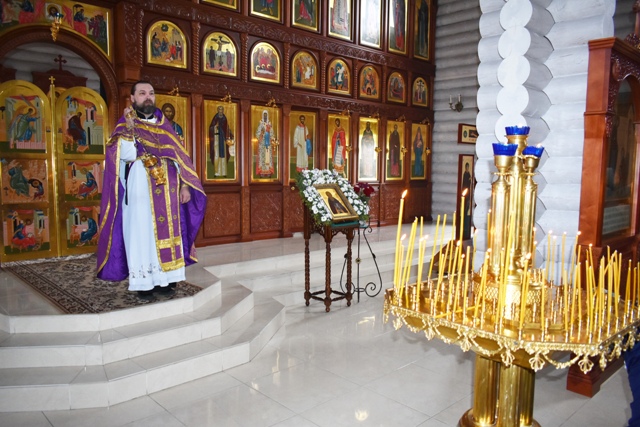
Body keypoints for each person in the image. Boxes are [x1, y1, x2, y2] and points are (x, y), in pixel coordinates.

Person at [96, 81, 206, 299]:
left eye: (151, 93)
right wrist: (129, 129)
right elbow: (125, 155)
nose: (148, 97)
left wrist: (185, 185)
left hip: (169, 190)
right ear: (133, 98)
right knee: (142, 233)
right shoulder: (126, 124)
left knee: (170, 231)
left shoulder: (165, 126)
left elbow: (180, 159)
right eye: (142, 93)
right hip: (140, 189)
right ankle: (144, 283)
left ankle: (167, 279)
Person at [209, 105, 233, 177]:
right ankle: (217, 172)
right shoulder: (215, 118)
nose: (221, 111)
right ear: (218, 111)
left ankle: (224, 173)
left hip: (223, 139)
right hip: (216, 139)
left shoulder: (224, 118)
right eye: (219, 110)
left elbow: (227, 128)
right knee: (216, 155)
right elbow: (211, 128)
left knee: (223, 156)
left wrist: (230, 134)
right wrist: (215, 126)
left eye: (222, 110)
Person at [255, 109, 273, 176]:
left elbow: (272, 133)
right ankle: (262, 172)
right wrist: (261, 133)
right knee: (262, 157)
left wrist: (270, 135)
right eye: (264, 115)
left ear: (267, 116)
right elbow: (257, 133)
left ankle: (268, 172)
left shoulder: (269, 124)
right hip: (262, 143)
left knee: (268, 157)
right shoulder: (260, 124)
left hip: (268, 143)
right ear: (262, 116)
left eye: (266, 115)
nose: (265, 117)